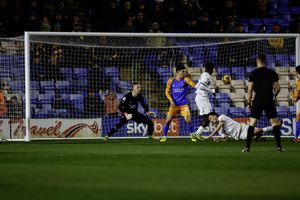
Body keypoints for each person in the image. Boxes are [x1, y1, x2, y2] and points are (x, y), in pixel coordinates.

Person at [243, 54, 284, 152]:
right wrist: (274, 96)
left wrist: (248, 103)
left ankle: (247, 147)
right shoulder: (272, 73)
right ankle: (279, 147)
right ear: (265, 61)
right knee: (274, 123)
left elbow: (250, 90)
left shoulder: (253, 73)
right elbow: (278, 88)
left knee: (252, 123)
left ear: (257, 61)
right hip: (269, 99)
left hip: (258, 100)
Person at [160, 64, 196, 142]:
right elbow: (166, 92)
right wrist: (171, 100)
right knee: (168, 120)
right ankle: (164, 136)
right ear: (177, 72)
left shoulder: (186, 79)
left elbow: (193, 85)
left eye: (185, 71)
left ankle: (192, 134)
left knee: (188, 120)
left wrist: (196, 84)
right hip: (174, 104)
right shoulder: (171, 80)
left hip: (183, 104)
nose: (184, 73)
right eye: (182, 71)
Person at [201, 112, 274, 142]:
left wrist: (209, 136)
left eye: (210, 118)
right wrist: (220, 140)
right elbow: (226, 138)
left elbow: (218, 127)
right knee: (253, 136)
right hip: (240, 136)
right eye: (209, 119)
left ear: (215, 116)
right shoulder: (219, 129)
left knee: (255, 132)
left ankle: (273, 127)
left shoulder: (221, 117)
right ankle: (259, 137)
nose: (211, 120)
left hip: (243, 128)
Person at [192, 62, 214, 139]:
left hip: (201, 97)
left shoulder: (203, 75)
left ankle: (197, 133)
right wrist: (211, 91)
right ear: (211, 69)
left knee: (209, 117)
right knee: (211, 116)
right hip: (202, 97)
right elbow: (201, 86)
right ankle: (197, 134)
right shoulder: (206, 75)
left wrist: (209, 91)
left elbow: (197, 85)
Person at [291, 65, 300, 142]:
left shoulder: (298, 82)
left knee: (298, 117)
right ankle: (296, 137)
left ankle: (297, 137)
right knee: (298, 116)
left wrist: (292, 93)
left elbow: (295, 99)